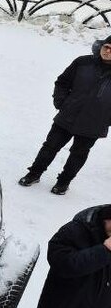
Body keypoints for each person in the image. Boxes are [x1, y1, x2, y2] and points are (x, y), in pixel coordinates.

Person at [19, 37, 111, 195]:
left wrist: (106, 120)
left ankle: (63, 182)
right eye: (106, 46)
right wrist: (61, 102)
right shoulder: (83, 63)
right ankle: (34, 173)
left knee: (78, 154)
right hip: (68, 115)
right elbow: (62, 82)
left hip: (94, 123)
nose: (107, 51)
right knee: (50, 147)